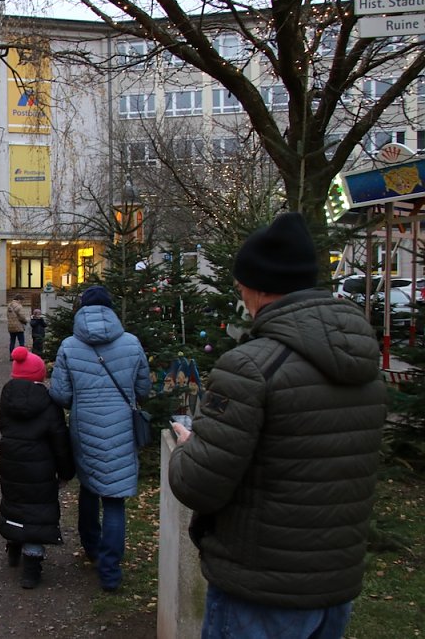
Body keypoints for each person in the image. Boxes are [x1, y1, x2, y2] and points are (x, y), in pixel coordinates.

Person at [169, 212, 387, 638]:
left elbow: (198, 484)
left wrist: (189, 448)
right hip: (334, 583)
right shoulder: (364, 362)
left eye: (241, 287)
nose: (241, 295)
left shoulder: (251, 367)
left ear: (261, 288)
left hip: (260, 589)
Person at [49, 285, 150, 593]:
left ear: (81, 310)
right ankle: (110, 571)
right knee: (115, 499)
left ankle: (91, 546)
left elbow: (60, 394)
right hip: (121, 427)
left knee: (90, 486)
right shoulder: (131, 343)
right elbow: (143, 389)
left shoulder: (69, 345)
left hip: (85, 427)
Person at [0, 346, 75, 590]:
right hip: (41, 467)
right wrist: (66, 471)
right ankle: (31, 566)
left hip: (11, 462)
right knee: (37, 511)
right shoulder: (49, 403)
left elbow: (3, 427)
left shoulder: (6, 399)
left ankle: (13, 543)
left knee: (14, 501)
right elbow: (60, 442)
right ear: (40, 375)